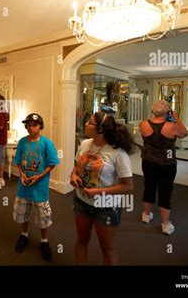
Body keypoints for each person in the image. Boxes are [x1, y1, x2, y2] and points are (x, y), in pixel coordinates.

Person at [70, 112, 134, 265]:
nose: (85, 124)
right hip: (82, 202)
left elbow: (128, 186)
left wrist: (97, 192)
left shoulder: (117, 153)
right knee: (82, 240)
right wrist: (73, 176)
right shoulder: (85, 144)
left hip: (106, 207)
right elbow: (76, 167)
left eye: (89, 122)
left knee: (107, 249)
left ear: (101, 129)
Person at [13, 113, 59, 261]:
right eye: (28, 125)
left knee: (43, 216)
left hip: (40, 188)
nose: (31, 128)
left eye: (34, 125)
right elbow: (18, 161)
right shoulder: (22, 142)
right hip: (23, 186)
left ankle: (44, 241)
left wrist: (38, 177)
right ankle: (24, 235)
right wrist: (21, 174)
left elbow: (52, 163)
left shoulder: (46, 143)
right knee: (22, 213)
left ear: (40, 126)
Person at [139, 100, 188, 235]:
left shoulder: (143, 124)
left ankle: (146, 215)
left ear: (153, 111)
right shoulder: (171, 126)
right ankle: (165, 224)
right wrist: (176, 117)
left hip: (148, 162)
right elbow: (184, 133)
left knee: (149, 186)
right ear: (167, 112)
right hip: (167, 164)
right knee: (165, 192)